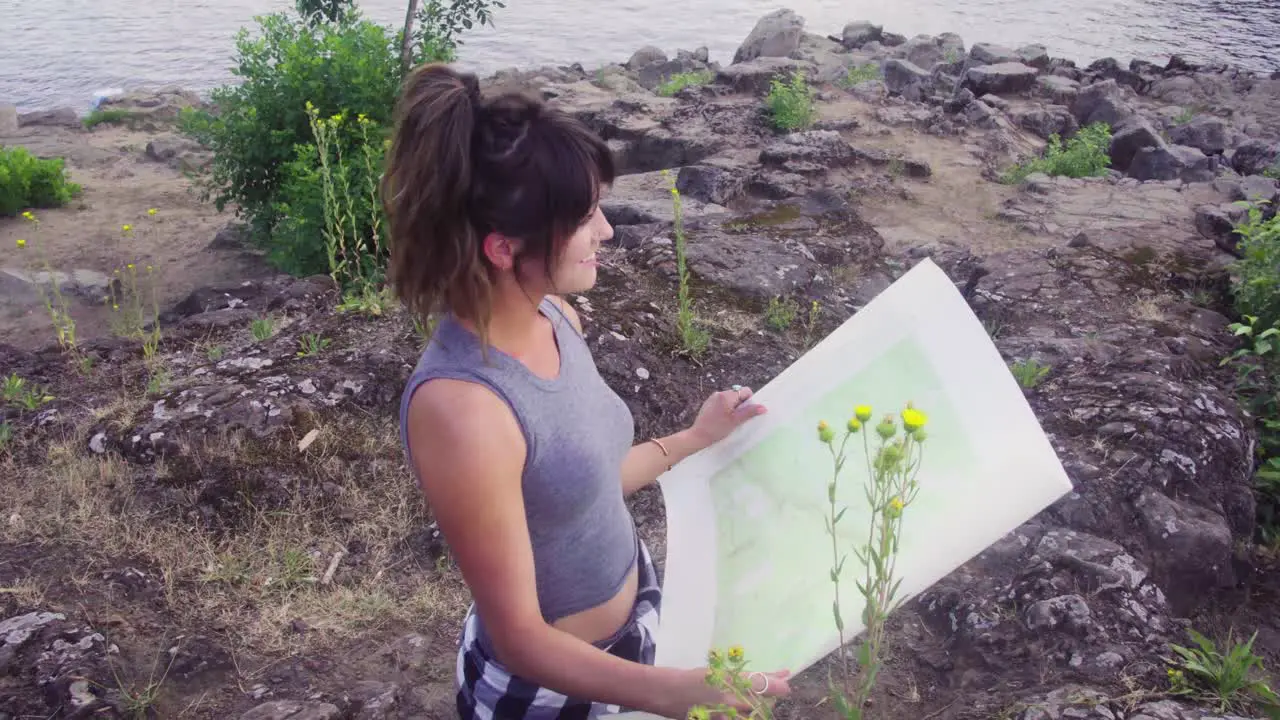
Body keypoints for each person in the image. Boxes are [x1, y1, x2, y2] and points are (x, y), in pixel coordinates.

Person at [383, 62, 793, 719]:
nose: (606, 231)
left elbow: (583, 482)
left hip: (633, 636)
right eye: (585, 217)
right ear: (501, 248)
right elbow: (520, 638)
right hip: (550, 694)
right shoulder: (462, 409)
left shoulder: (556, 316)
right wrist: (674, 694)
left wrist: (694, 438)